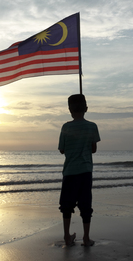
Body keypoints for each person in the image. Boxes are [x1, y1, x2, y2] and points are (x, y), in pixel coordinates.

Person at [58, 94, 100, 247]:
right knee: (85, 205)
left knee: (66, 206)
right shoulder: (92, 126)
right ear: (86, 109)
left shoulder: (66, 127)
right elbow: (94, 149)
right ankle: (86, 238)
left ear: (69, 110)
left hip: (69, 172)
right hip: (85, 171)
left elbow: (62, 150)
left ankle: (67, 236)